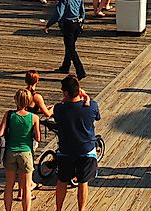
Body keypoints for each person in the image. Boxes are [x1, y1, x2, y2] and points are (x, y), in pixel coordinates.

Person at [53, 75, 101, 211]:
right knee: (83, 181)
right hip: (86, 150)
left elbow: (58, 110)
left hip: (66, 151)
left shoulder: (59, 109)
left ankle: (59, 209)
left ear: (66, 92)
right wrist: (86, 98)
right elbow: (97, 116)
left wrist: (65, 100)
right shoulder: (92, 106)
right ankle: (82, 209)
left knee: (62, 181)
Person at [0, 88, 41, 211]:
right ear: (29, 102)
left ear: (15, 100)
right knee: (26, 187)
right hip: (26, 153)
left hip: (10, 152)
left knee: (9, 186)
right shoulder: (34, 117)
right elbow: (38, 138)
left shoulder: (9, 115)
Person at [44, 0, 87, 80]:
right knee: (69, 45)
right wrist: (82, 21)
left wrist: (48, 24)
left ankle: (80, 71)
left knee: (71, 48)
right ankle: (65, 66)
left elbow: (59, 13)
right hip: (76, 24)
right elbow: (82, 11)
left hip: (67, 24)